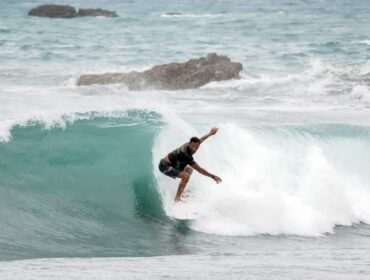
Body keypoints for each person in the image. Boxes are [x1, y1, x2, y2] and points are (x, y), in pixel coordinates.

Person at [158, 127, 222, 202]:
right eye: (194, 147)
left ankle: (181, 190)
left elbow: (200, 140)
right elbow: (200, 170)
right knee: (186, 176)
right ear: (190, 144)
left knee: (189, 170)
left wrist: (210, 134)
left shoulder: (192, 144)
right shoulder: (185, 154)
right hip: (164, 166)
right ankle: (177, 198)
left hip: (174, 165)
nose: (195, 149)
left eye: (197, 147)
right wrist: (213, 176)